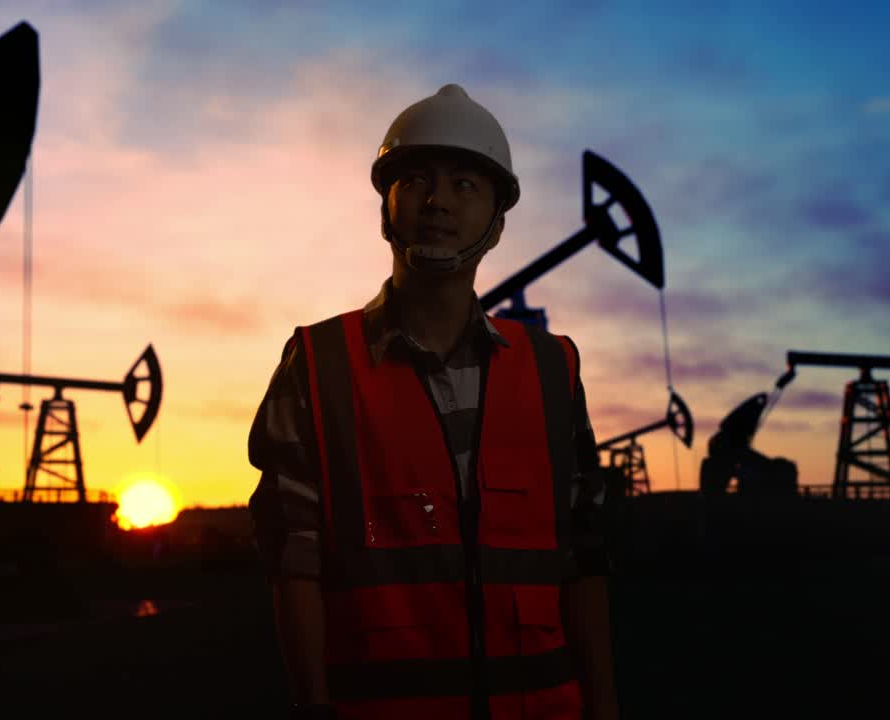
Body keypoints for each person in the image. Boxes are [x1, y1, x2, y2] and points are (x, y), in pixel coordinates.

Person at [249, 84, 619, 720]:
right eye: (416, 179)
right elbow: (295, 562)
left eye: (465, 185)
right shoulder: (316, 367)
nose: (438, 201)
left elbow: (580, 559)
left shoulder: (555, 371)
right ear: (385, 209)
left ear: (498, 225)